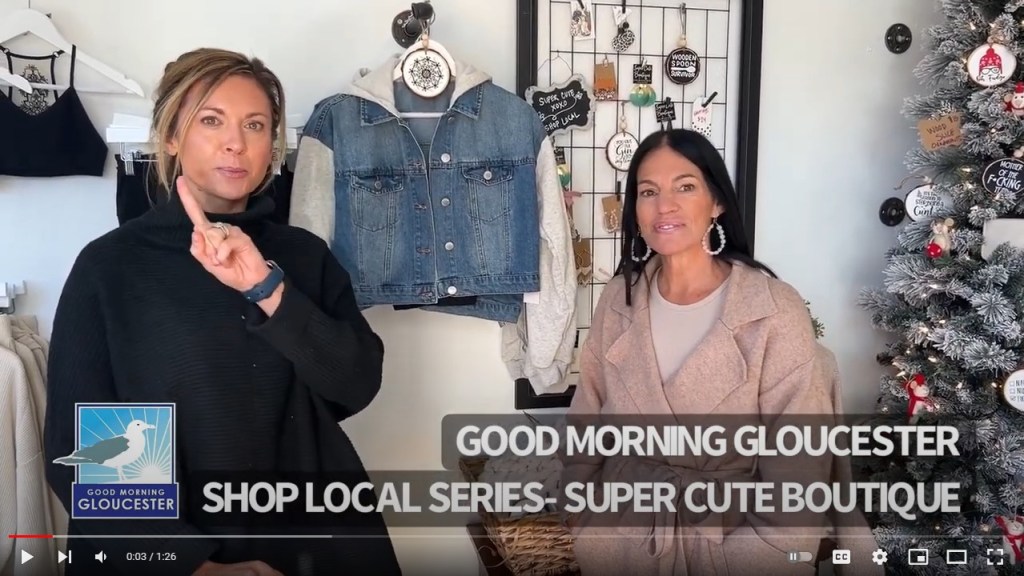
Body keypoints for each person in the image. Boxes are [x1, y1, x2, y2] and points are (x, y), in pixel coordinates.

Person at [43, 48, 402, 576]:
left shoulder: (303, 256)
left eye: (255, 125)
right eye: (211, 120)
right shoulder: (112, 267)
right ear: (171, 136)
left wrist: (267, 288)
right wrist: (194, 565)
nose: (236, 142)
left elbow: (356, 386)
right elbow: (80, 451)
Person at [560, 129, 838, 575]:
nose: (664, 206)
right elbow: (587, 413)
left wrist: (759, 555)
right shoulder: (618, 299)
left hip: (732, 551)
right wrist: (582, 515)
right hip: (623, 543)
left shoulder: (773, 309)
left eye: (685, 187)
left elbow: (799, 464)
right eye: (648, 192)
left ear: (717, 202)